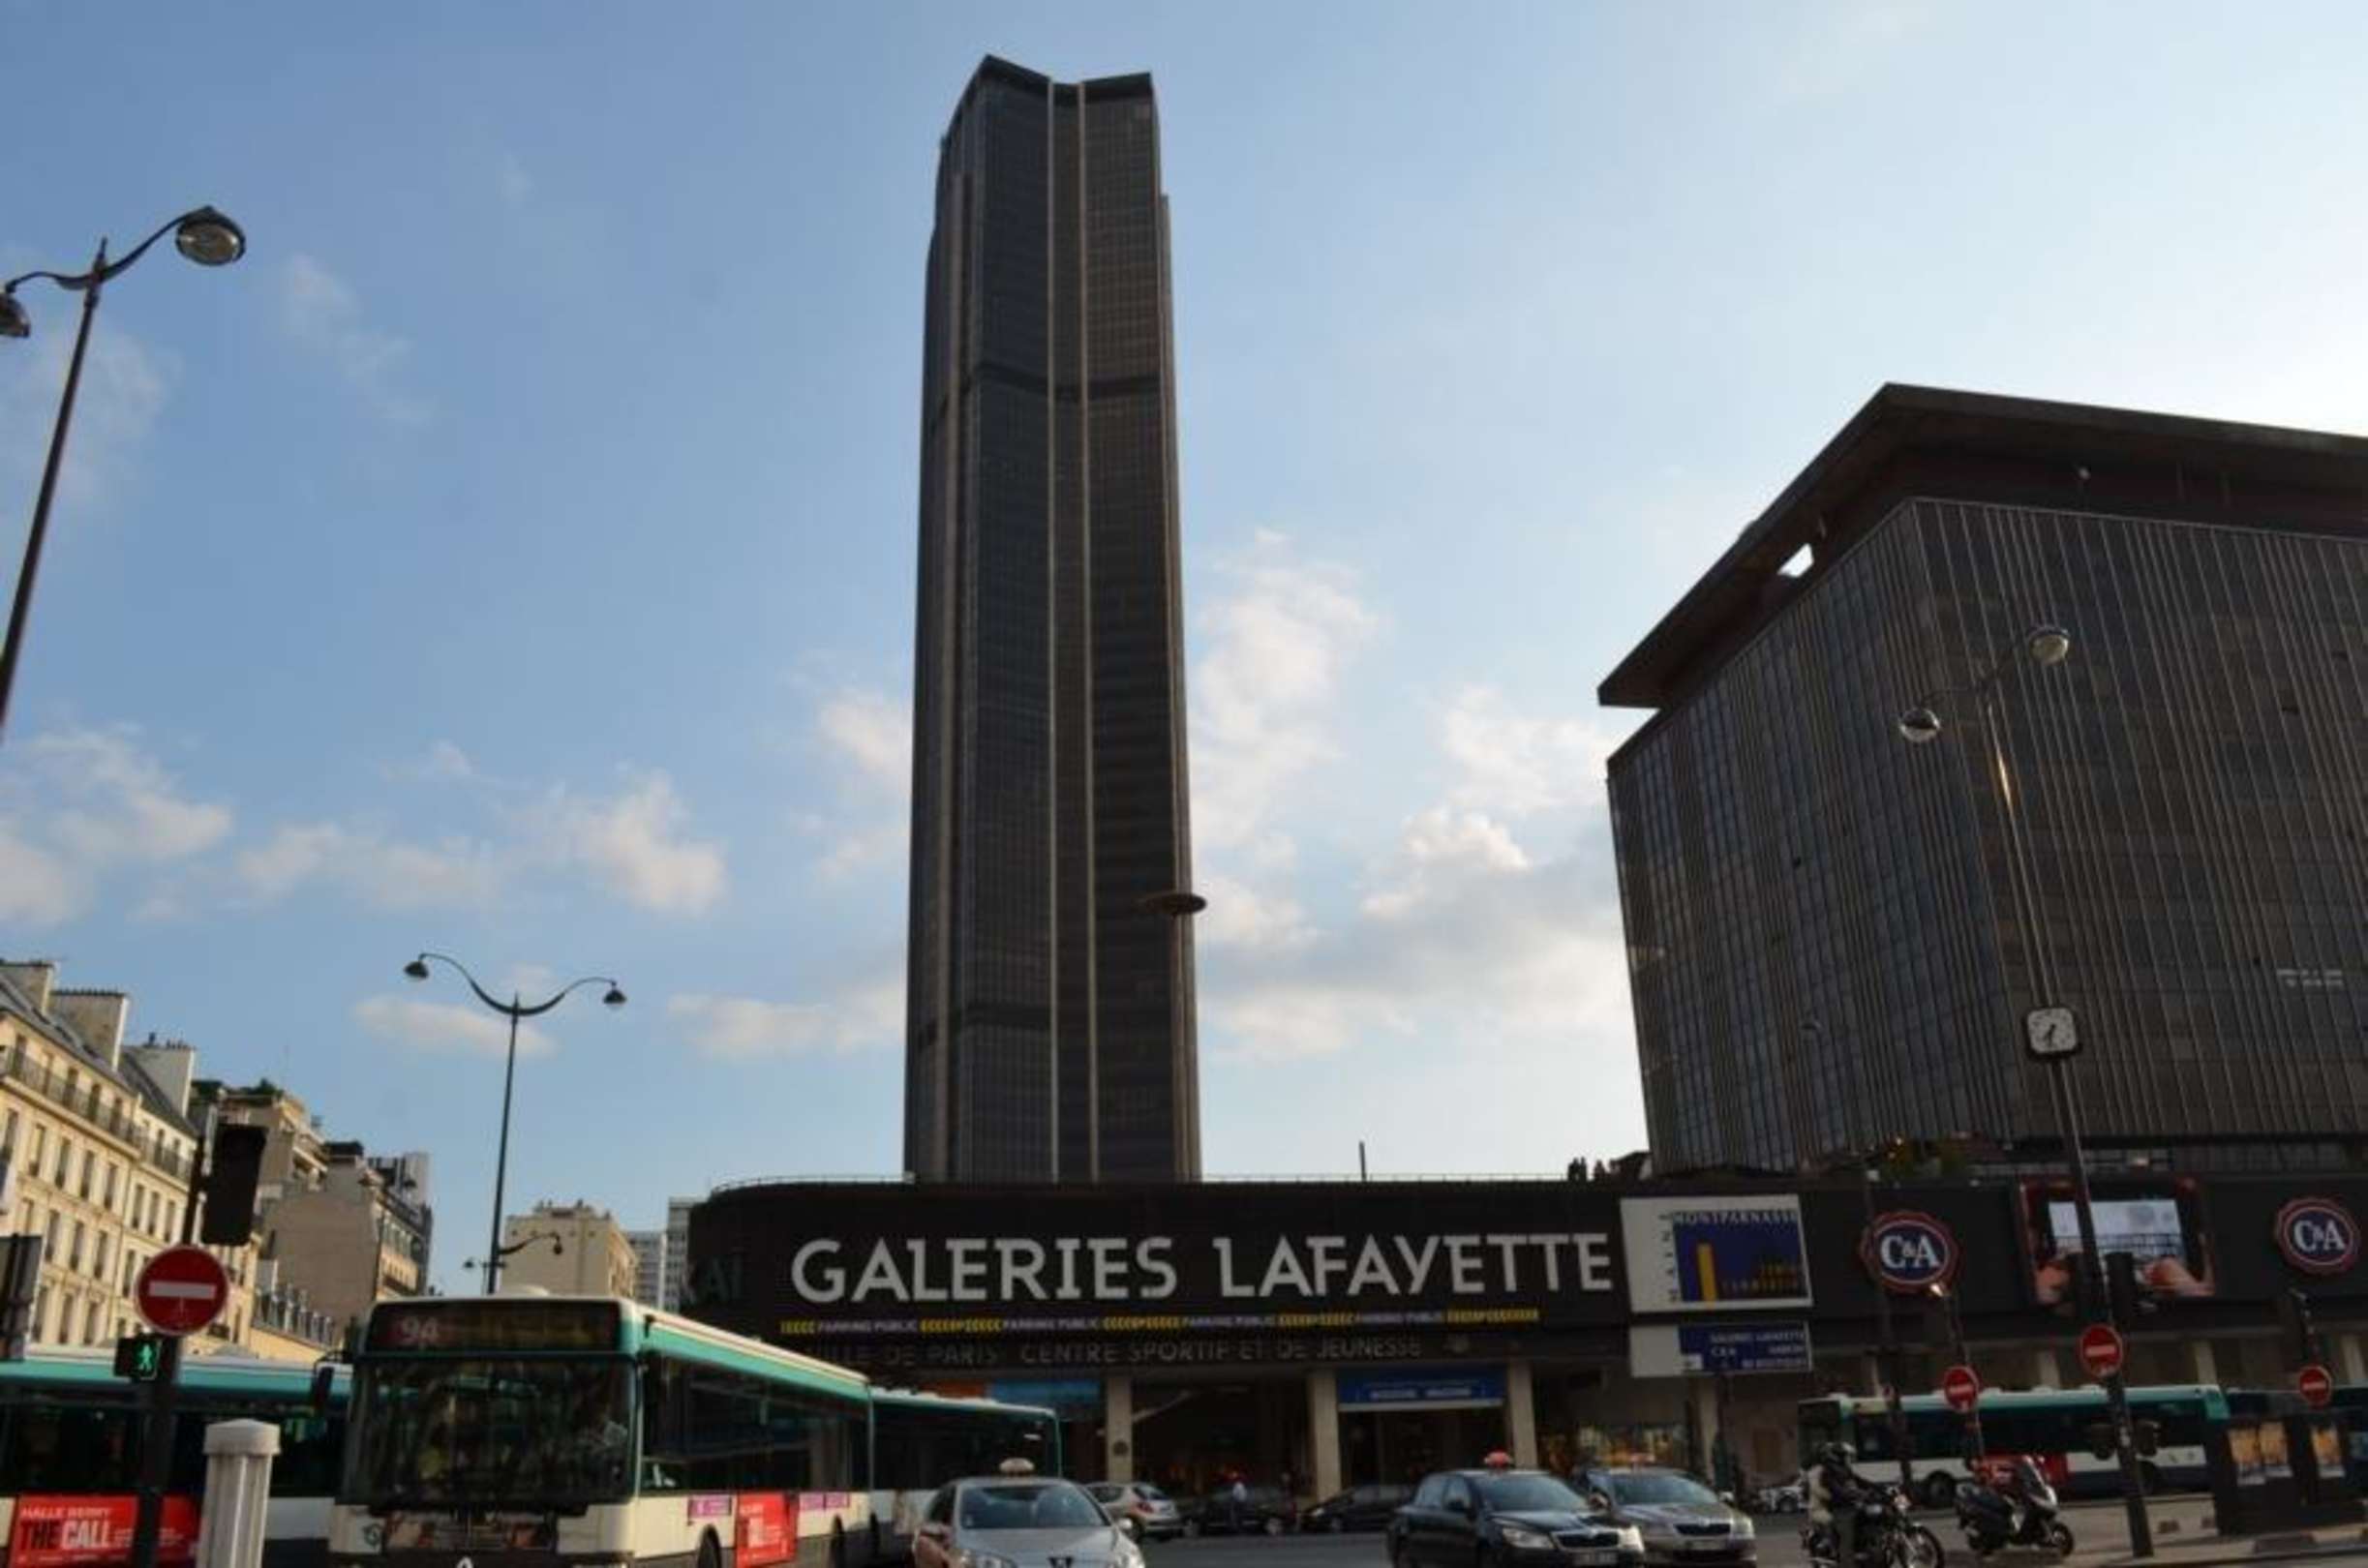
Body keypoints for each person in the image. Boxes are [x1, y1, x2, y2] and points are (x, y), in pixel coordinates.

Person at [1806, 1442, 1863, 1566]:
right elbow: (1817, 1489)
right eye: (1825, 1453)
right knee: (1836, 1524)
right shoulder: (1815, 1471)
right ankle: (1831, 1546)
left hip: (1833, 1505)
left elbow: (1855, 1481)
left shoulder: (1838, 1468)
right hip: (1818, 1508)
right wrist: (1834, 1496)